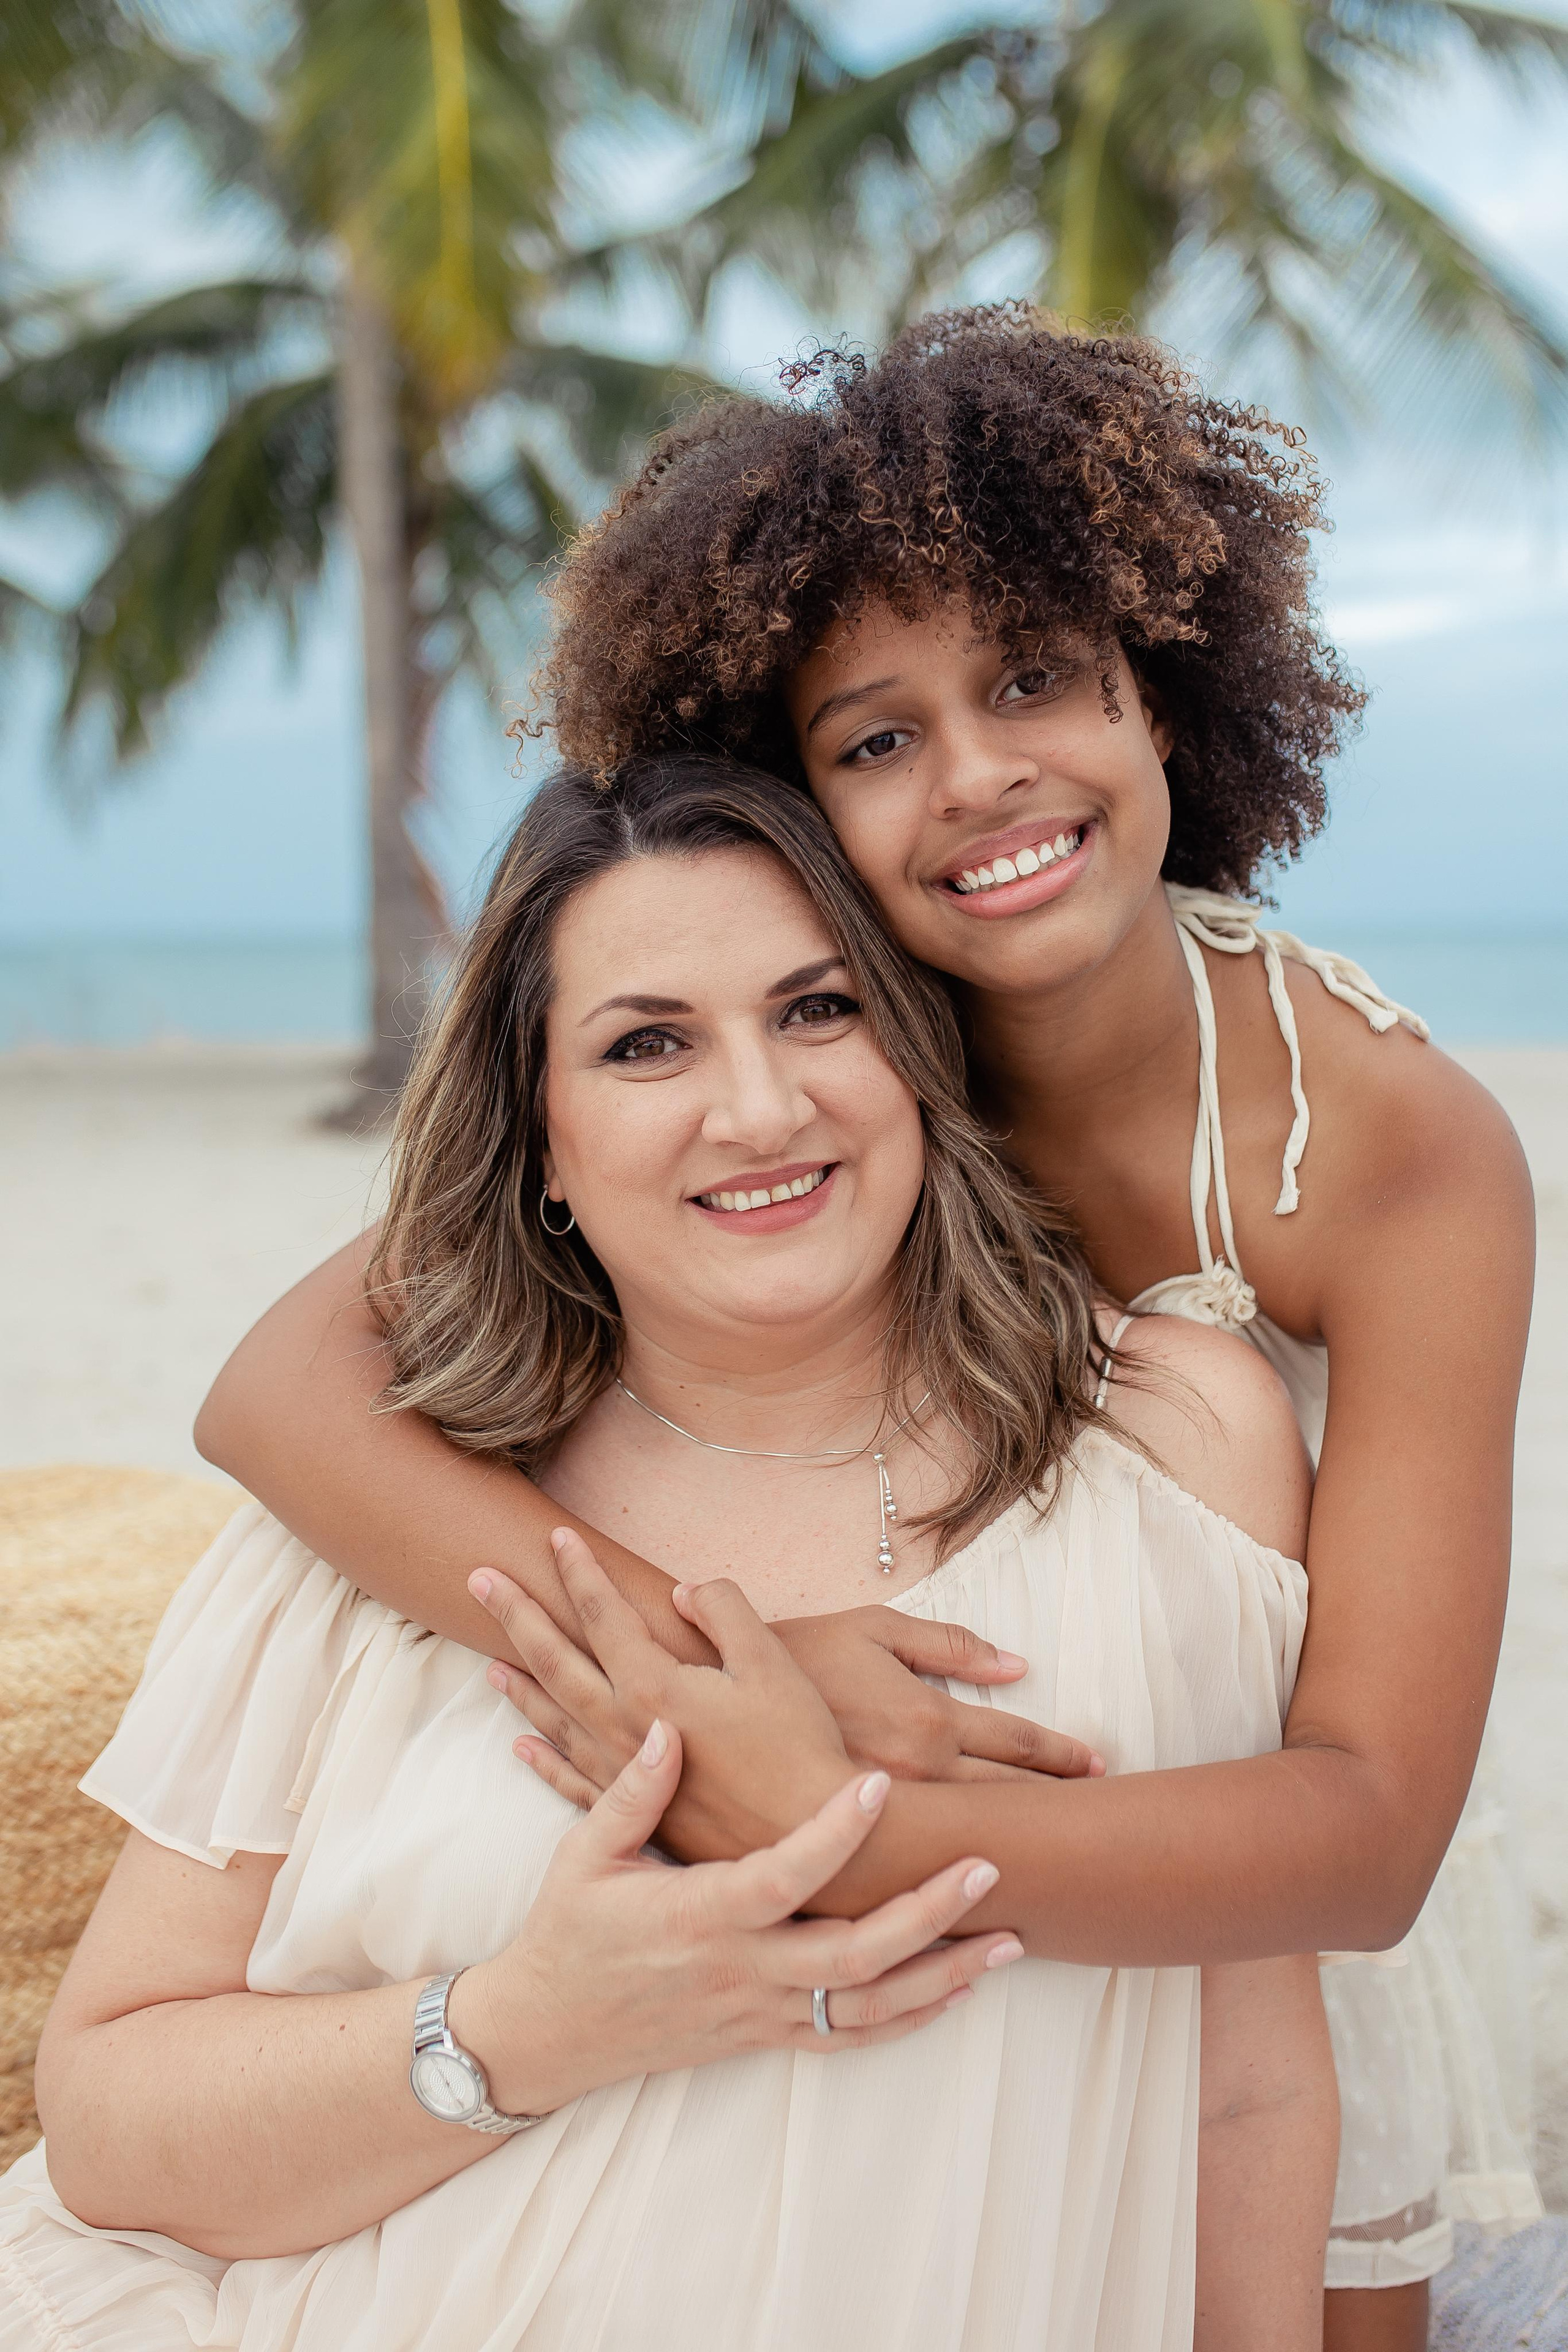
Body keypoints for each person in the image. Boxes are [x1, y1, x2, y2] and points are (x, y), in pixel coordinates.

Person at [195, 306, 1542, 2352]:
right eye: (875, 738)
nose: (980, 777)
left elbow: (1358, 1832)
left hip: (1221, 1839)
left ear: (1167, 699)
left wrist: (819, 1815)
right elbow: (279, 1389)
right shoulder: (822, 1052)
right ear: (790, 793)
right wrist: (726, 1660)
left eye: (1034, 683)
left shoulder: (1383, 1146)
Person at [1, 761, 1334, 2351]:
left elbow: (1247, 2088)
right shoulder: (387, 1517)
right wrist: (528, 2025)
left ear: (923, 1048)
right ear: (546, 1142)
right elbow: (111, 2125)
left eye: (821, 1010)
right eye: (647, 1044)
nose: (761, 1109)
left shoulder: (1180, 1446)